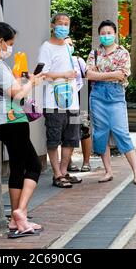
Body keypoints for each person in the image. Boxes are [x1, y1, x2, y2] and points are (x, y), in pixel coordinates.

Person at [0, 22, 44, 238]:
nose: (11, 47)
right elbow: (17, 95)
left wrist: (22, 81)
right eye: (10, 43)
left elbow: (10, 89)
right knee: (34, 165)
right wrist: (32, 82)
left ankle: (17, 222)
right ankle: (20, 211)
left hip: (3, 121)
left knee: (17, 166)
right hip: (12, 120)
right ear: (0, 42)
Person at [86, 20, 136, 185]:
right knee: (100, 132)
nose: (106, 36)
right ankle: (108, 171)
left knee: (121, 132)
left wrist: (100, 75)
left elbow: (122, 75)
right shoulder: (95, 53)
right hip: (97, 97)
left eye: (109, 33)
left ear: (115, 34)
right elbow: (88, 74)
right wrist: (111, 74)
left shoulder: (122, 52)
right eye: (103, 33)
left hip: (116, 96)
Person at [38, 13, 82, 189]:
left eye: (67, 23)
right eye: (60, 23)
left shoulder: (67, 46)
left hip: (72, 101)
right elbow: (42, 74)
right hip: (53, 102)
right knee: (54, 139)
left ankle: (64, 171)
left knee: (71, 138)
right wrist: (64, 75)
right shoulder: (46, 48)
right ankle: (56, 174)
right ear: (52, 26)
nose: (63, 26)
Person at [64, 36, 92, 173]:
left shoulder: (78, 60)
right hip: (64, 98)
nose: (69, 46)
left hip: (81, 94)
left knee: (84, 128)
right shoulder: (56, 61)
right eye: (65, 44)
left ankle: (86, 162)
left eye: (70, 44)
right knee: (67, 129)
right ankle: (68, 162)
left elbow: (88, 75)